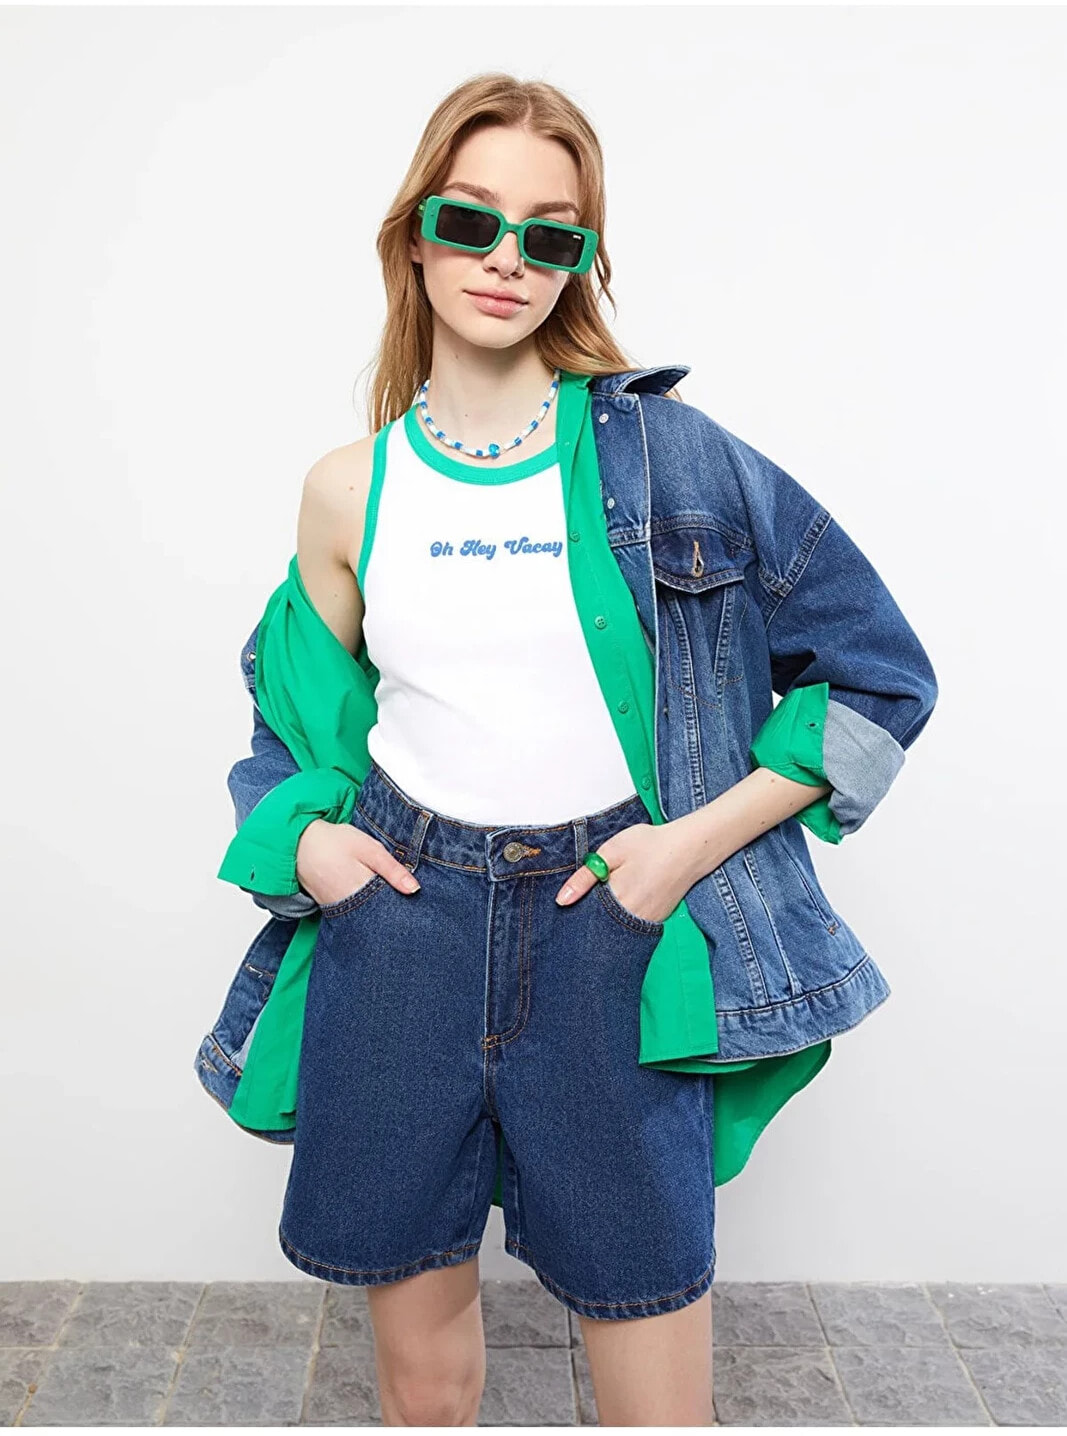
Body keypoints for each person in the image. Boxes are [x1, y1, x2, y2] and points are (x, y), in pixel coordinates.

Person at [214, 73, 937, 1427]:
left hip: (612, 926)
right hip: (402, 933)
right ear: (413, 236)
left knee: (656, 1388)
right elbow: (291, 722)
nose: (506, 258)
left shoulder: (674, 459)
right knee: (425, 1389)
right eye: (471, 219)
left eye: (549, 233)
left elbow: (880, 673)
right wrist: (308, 845)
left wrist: (685, 851)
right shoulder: (347, 490)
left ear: (581, 261)